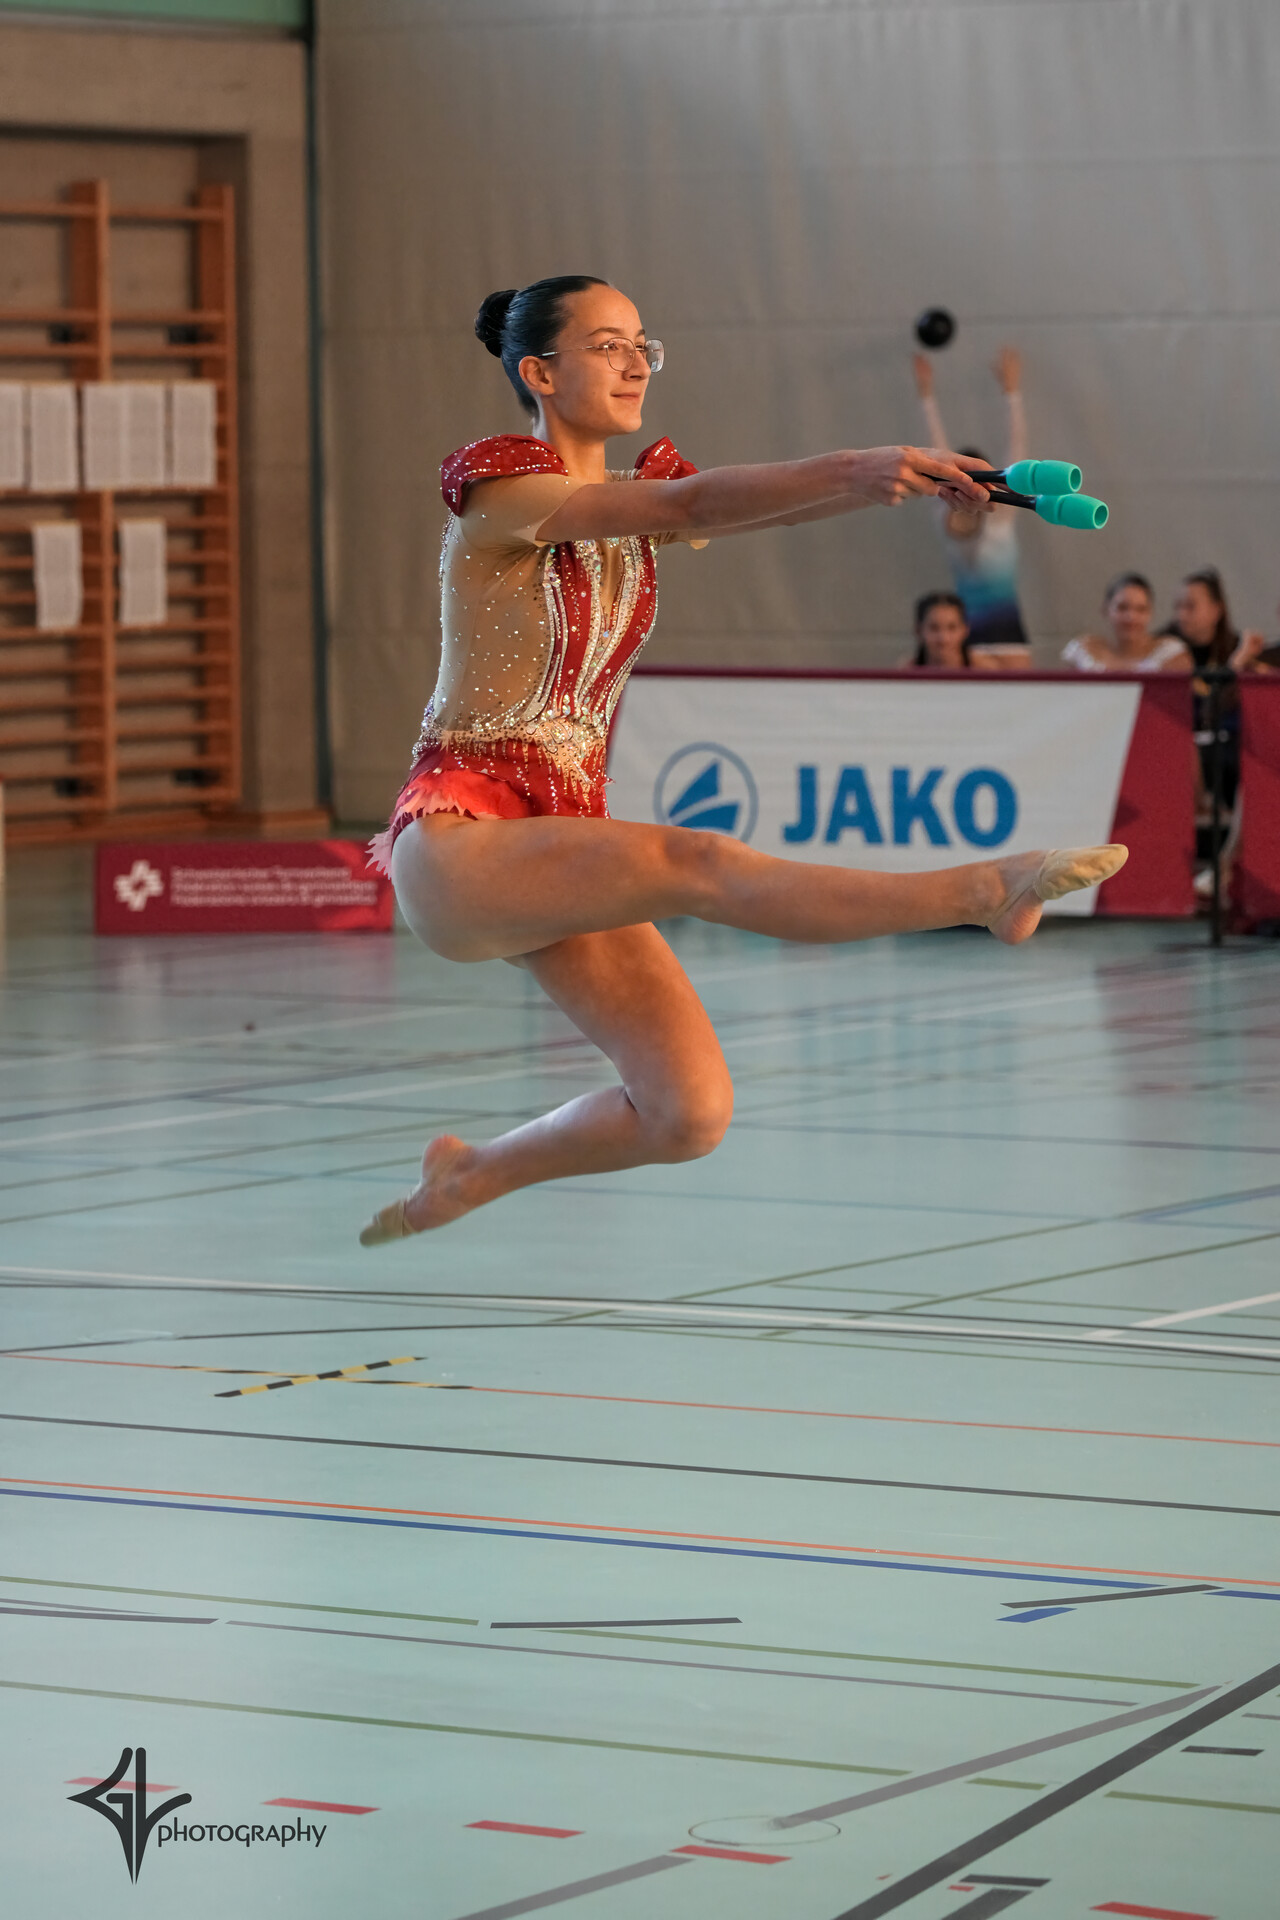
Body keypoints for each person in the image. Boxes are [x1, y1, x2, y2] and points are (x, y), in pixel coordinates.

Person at [360, 274, 1127, 1245]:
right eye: (607, 345)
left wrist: (906, 479)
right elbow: (691, 505)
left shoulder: (629, 504)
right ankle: (981, 890)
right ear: (539, 373)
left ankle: (473, 1172)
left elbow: (744, 510)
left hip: (554, 846)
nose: (635, 363)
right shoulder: (504, 491)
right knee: (698, 860)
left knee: (685, 1113)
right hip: (460, 843)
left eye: (642, 344)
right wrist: (858, 463)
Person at [912, 344, 1032, 666]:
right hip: (961, 637)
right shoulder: (944, 510)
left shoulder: (1001, 512)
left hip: (1007, 631)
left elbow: (1017, 453)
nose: (970, 485)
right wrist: (926, 395)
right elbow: (934, 451)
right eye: (961, 477)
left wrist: (1012, 393)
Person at [1061, 573, 1191, 673]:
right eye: (1122, 608)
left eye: (1141, 609)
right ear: (1105, 610)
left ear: (1150, 613)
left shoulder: (1170, 654)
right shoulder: (1082, 651)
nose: (1131, 617)